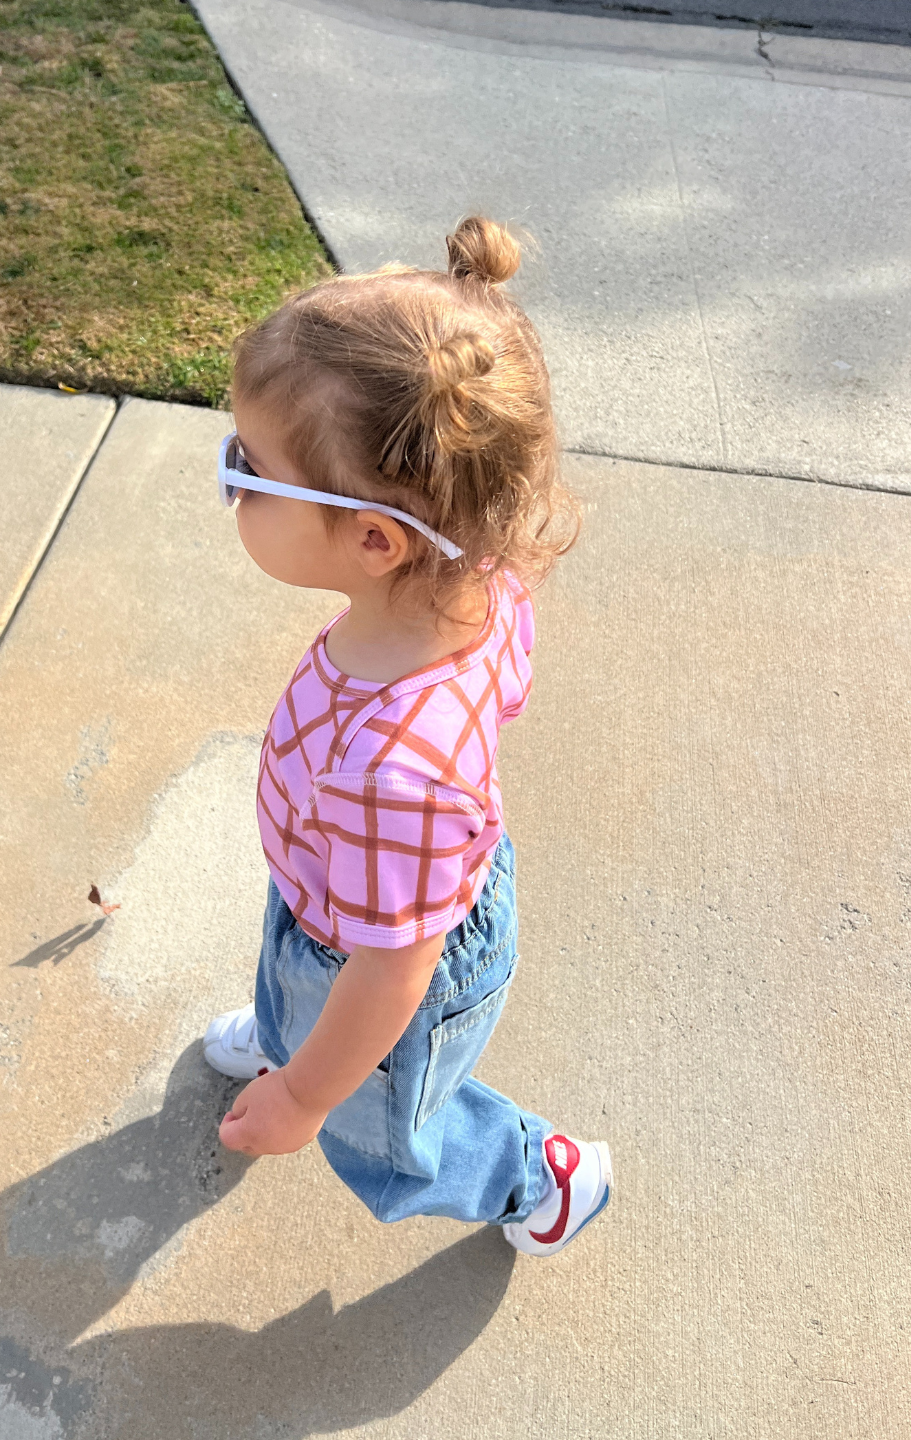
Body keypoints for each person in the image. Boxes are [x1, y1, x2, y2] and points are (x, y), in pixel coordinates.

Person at [203, 217, 611, 1257]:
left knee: (388, 1137)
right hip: (337, 894)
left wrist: (303, 1096)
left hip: (382, 961)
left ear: (376, 540)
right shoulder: (471, 584)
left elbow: (393, 975)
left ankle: (537, 1178)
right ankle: (293, 1025)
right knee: (291, 954)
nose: (232, 481)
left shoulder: (396, 773)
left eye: (248, 469)